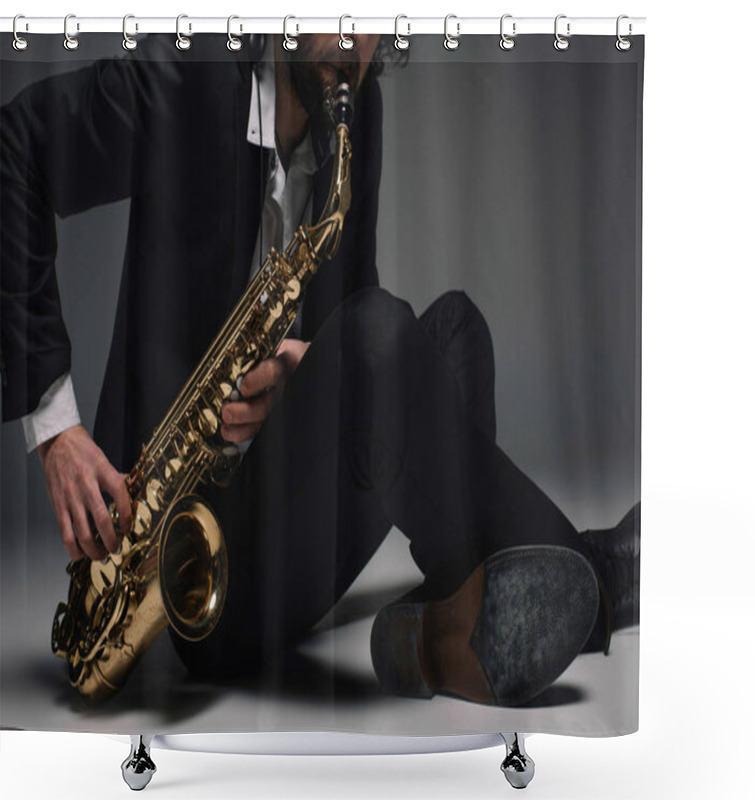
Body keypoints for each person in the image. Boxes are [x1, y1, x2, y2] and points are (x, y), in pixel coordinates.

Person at [0, 33, 638, 706]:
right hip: (193, 578)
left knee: (456, 333)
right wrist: (54, 428)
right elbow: (14, 149)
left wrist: (305, 371)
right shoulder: (188, 79)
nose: (348, 38)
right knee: (379, 335)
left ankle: (451, 618)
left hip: (302, 516)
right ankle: (583, 581)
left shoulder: (356, 114)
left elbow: (359, 326)